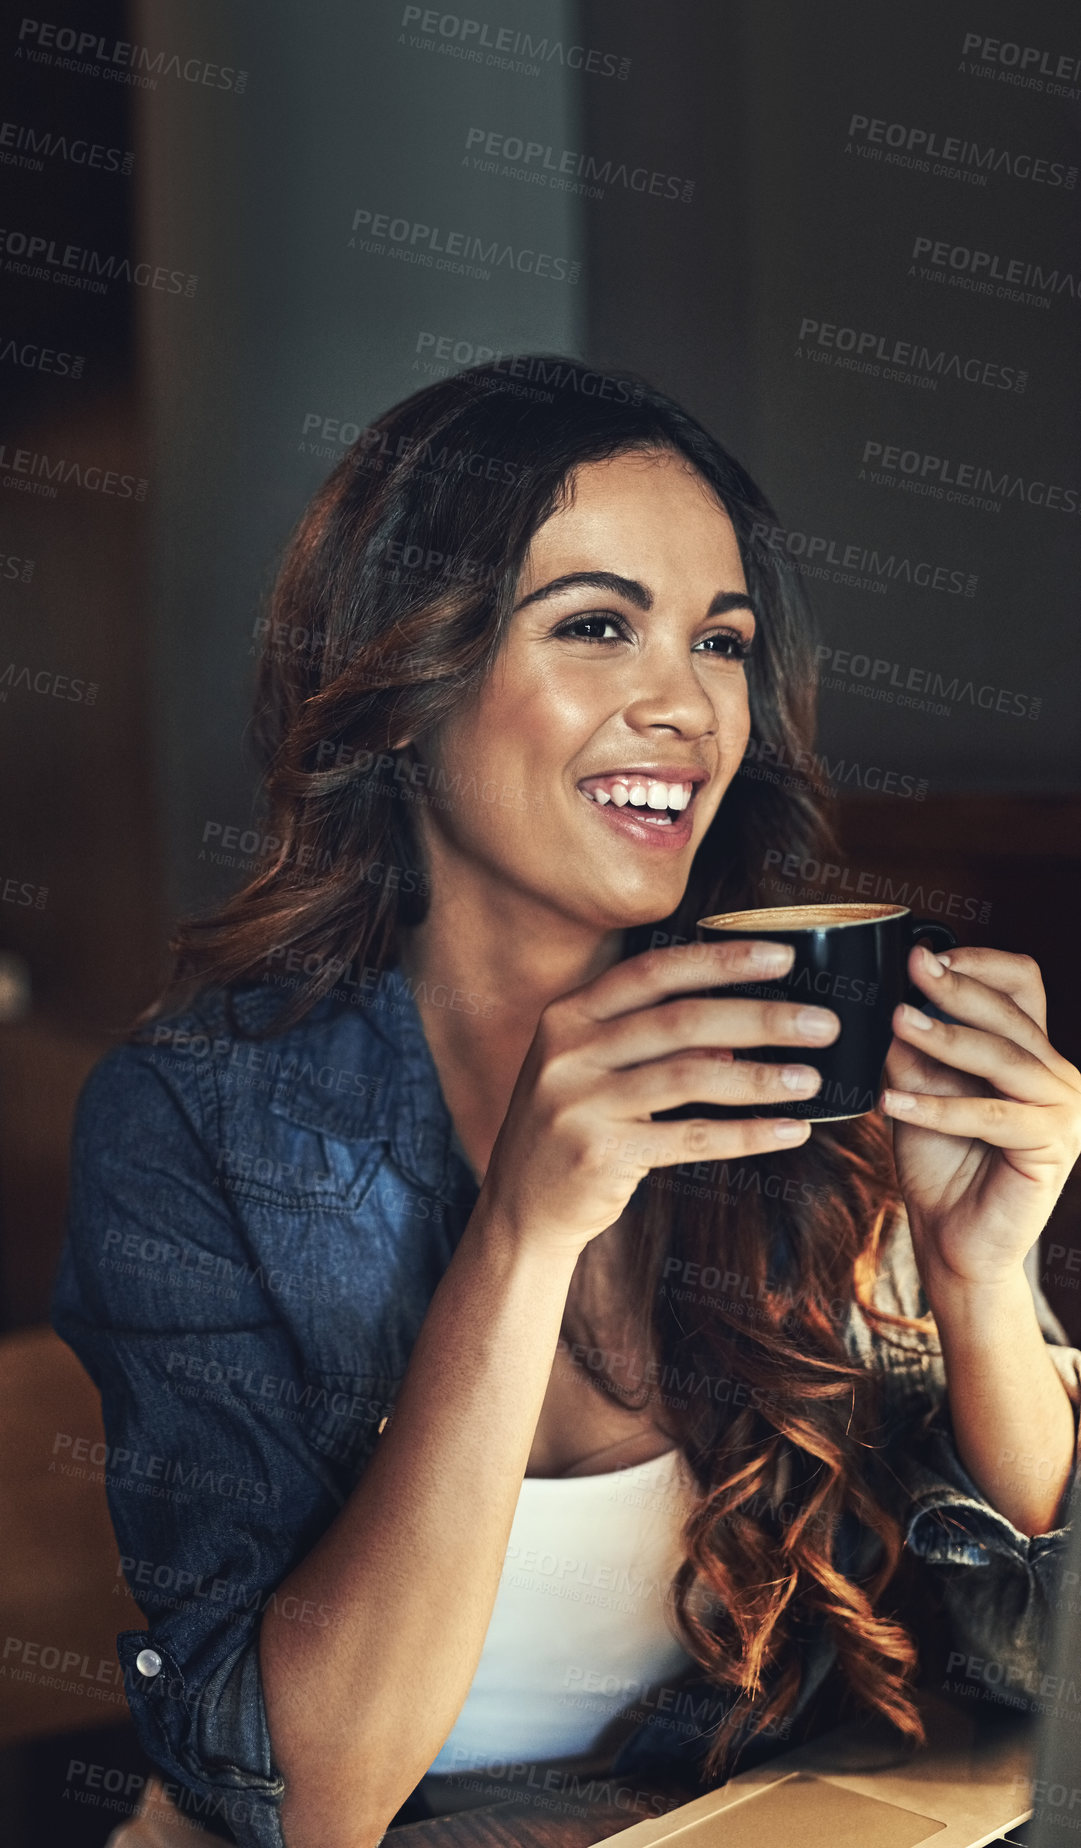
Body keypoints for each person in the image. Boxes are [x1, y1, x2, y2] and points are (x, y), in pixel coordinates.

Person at [52, 358, 1081, 1848]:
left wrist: (984, 1286)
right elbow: (303, 1798)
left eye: (718, 643)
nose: (682, 704)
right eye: (596, 626)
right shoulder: (194, 1125)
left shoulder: (814, 1062)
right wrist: (520, 1240)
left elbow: (1038, 1678)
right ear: (404, 687)